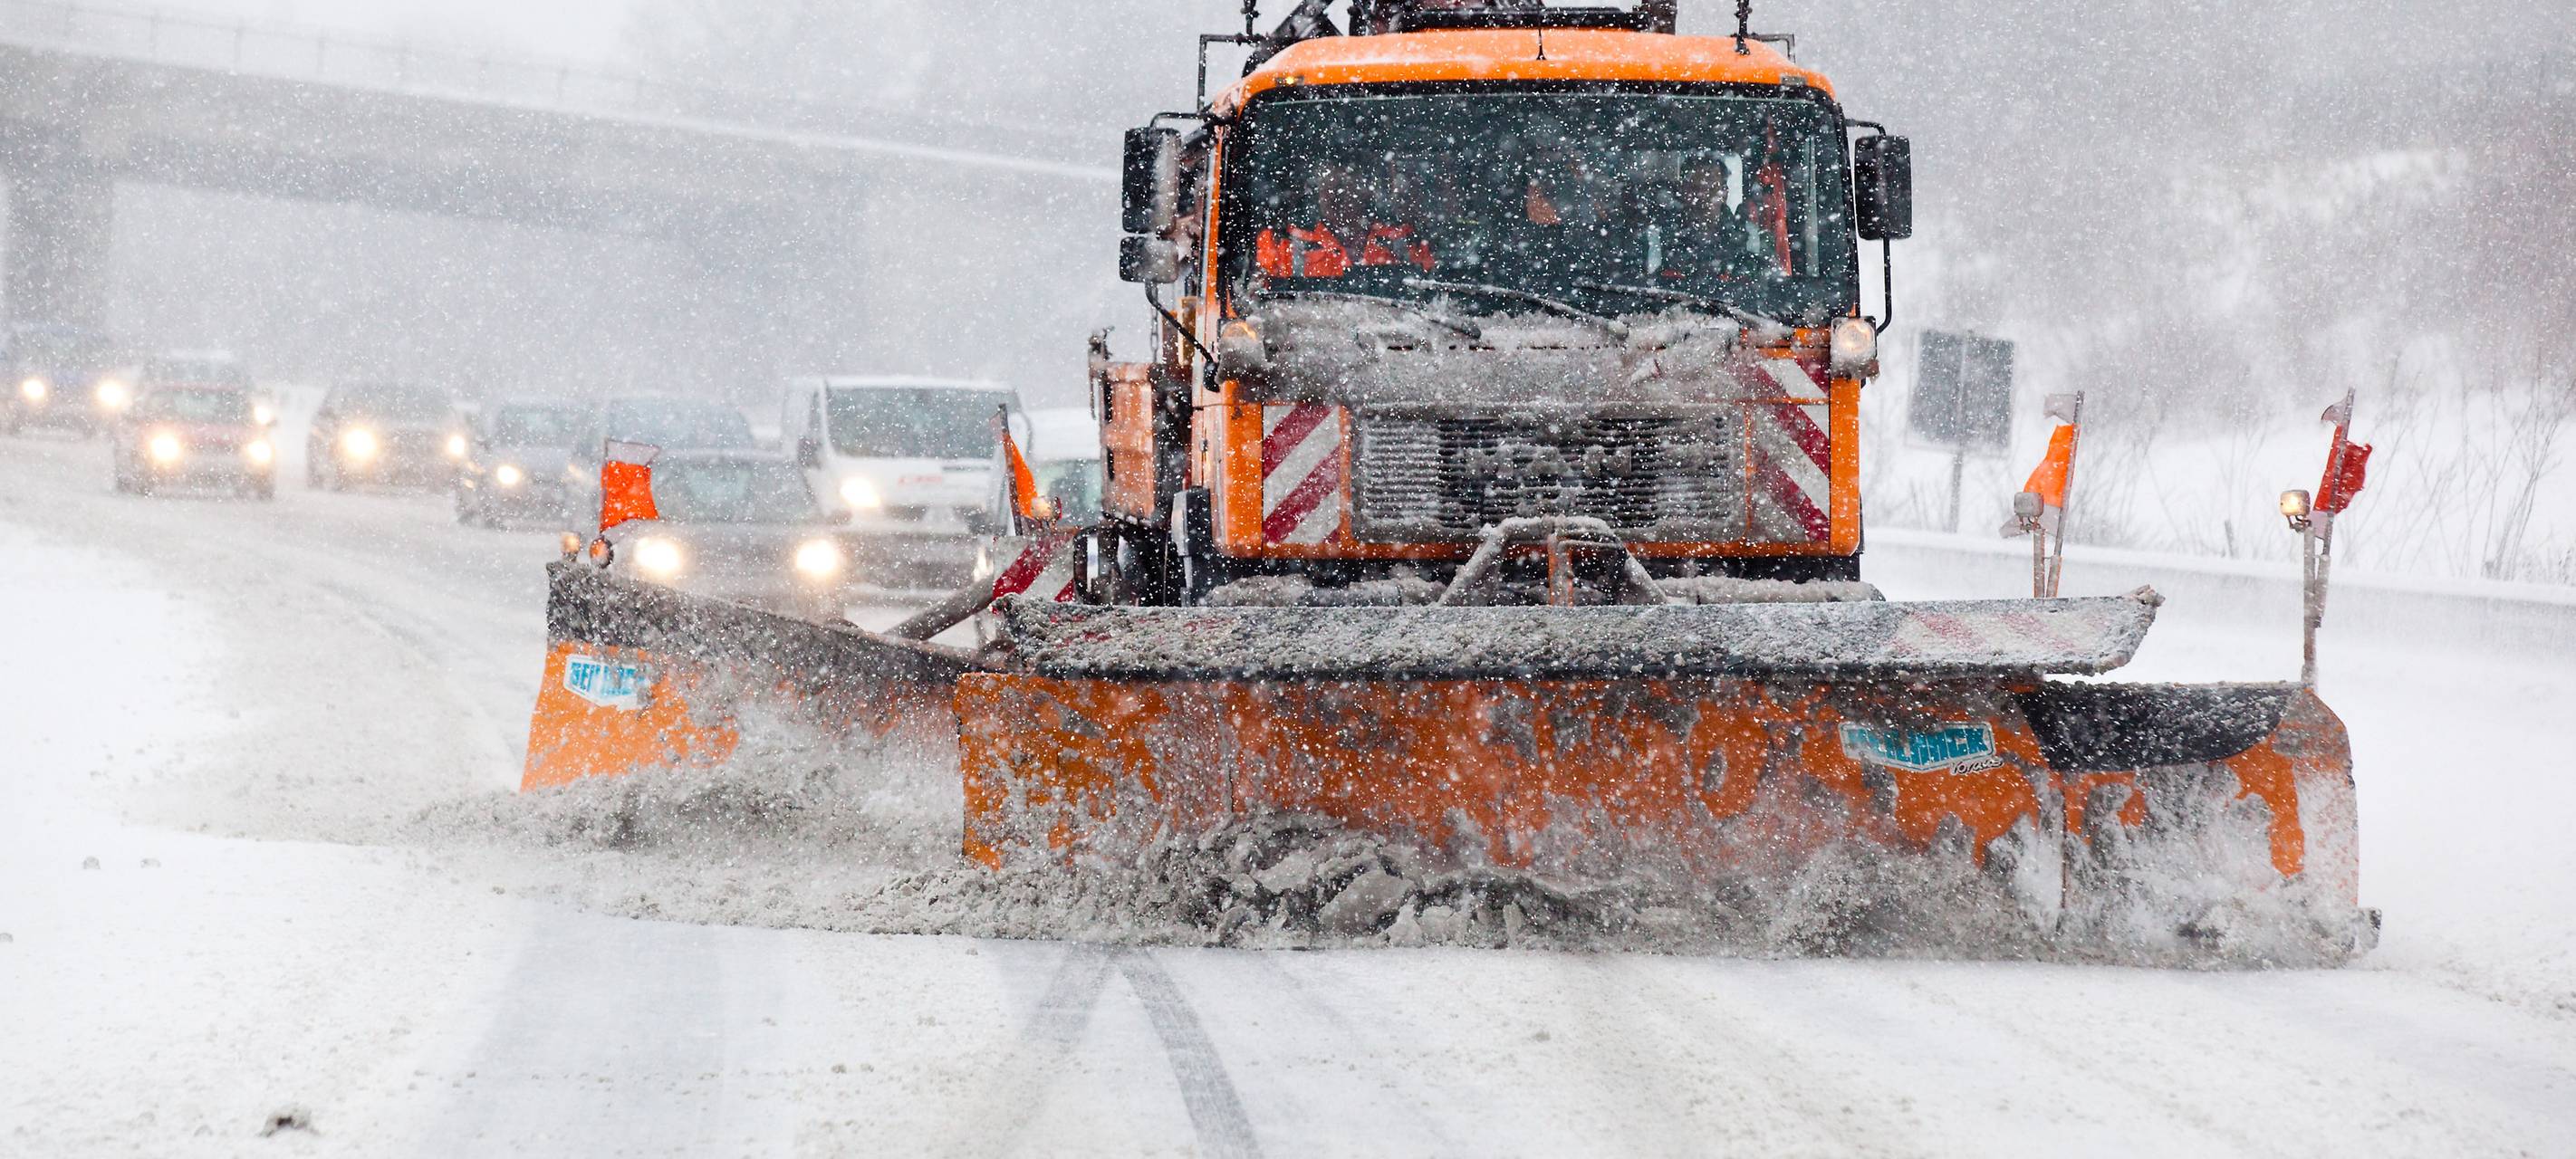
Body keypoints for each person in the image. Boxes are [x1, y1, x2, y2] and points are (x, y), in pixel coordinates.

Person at [1257, 161, 1434, 279]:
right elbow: (1258, 303)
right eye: (1325, 188)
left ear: (1366, 194)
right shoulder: (1284, 244)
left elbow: (1431, 295)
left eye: (1340, 188)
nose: (1330, 198)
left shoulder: (1403, 241)